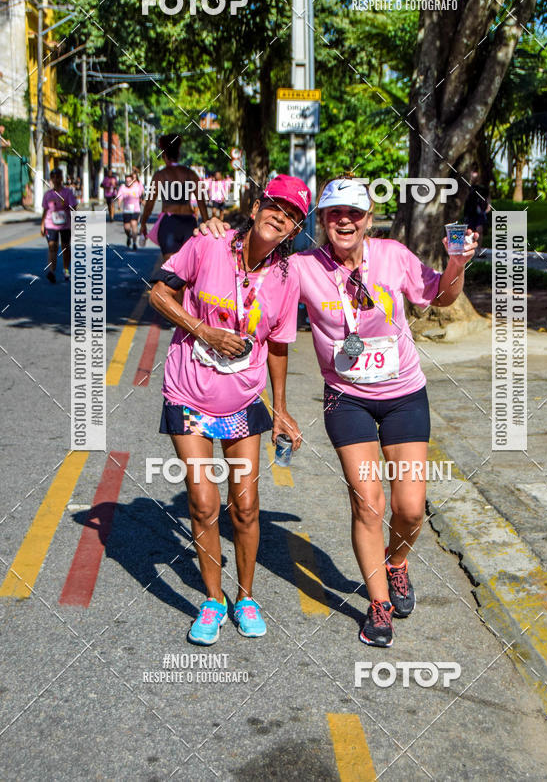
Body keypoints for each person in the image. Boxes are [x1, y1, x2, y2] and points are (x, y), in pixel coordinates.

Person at [201, 175, 478, 648]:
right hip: (346, 397)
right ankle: (378, 606)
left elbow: (440, 296)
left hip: (404, 393)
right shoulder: (303, 267)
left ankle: (396, 563)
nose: (344, 221)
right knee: (369, 501)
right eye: (334, 213)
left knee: (409, 508)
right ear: (323, 221)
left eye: (354, 213)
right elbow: (253, 260)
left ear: (368, 219)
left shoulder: (392, 256)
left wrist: (457, 263)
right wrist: (215, 233)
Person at [149, 174, 309, 646]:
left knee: (245, 506)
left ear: (295, 228)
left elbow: (278, 346)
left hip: (242, 401)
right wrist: (203, 331)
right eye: (275, 205)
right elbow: (159, 292)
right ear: (258, 205)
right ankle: (214, 601)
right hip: (188, 393)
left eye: (292, 214)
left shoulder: (288, 275)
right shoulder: (209, 245)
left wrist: (281, 409)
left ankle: (246, 597)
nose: (280, 216)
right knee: (202, 503)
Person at [140, 133, 209, 261]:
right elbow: (201, 202)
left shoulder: (160, 175)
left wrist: (143, 223)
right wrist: (207, 222)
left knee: (170, 269)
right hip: (189, 223)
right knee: (188, 268)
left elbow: (149, 204)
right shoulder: (191, 174)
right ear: (178, 154)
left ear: (164, 155)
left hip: (169, 224)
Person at [40, 168, 78, 282]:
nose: (56, 179)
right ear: (51, 179)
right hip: (51, 224)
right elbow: (45, 210)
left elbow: (73, 207)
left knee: (66, 247)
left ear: (61, 178)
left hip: (65, 225)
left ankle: (66, 269)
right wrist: (42, 225)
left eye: (58, 177)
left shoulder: (67, 192)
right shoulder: (48, 194)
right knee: (52, 247)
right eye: (53, 177)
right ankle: (51, 271)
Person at [116, 172, 145, 249]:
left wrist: (145, 204)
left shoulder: (137, 187)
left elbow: (141, 197)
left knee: (134, 224)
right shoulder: (123, 188)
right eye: (126, 181)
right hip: (126, 210)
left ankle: (134, 243)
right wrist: (119, 205)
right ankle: (129, 236)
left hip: (136, 209)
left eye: (129, 181)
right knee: (127, 228)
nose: (128, 182)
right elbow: (119, 197)